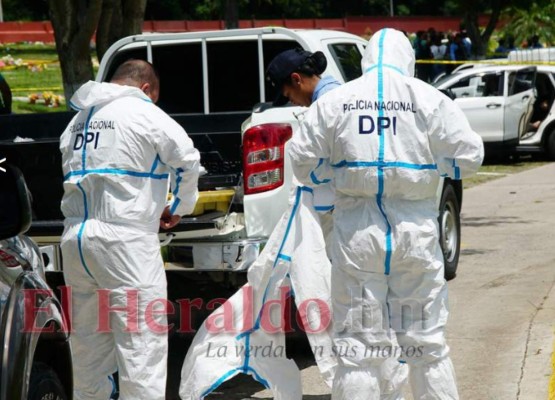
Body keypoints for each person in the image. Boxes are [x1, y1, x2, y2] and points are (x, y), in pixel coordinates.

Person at [289, 28, 484, 400]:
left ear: (366, 60)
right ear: (406, 58)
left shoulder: (337, 101)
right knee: (427, 345)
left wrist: (333, 177)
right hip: (416, 232)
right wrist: (436, 167)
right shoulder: (429, 99)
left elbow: (301, 158)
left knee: (359, 351)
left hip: (357, 234)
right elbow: (469, 156)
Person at [267, 48, 409, 400]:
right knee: (379, 309)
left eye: (288, 94)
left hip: (351, 222)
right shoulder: (351, 96)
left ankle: (374, 387)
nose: (293, 103)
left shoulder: (328, 105)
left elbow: (311, 166)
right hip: (388, 218)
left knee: (359, 316)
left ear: (297, 80)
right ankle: (387, 385)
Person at [59, 59, 200, 400]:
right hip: (126, 241)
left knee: (87, 350)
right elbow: (187, 160)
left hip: (76, 240)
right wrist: (180, 206)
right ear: (146, 88)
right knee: (141, 348)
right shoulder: (144, 112)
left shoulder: (77, 122)